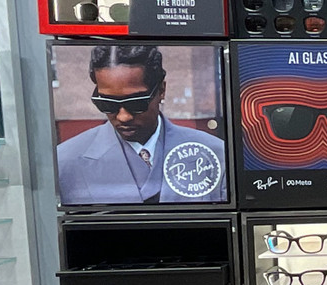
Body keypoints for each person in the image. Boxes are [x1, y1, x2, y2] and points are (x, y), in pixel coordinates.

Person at [56, 44, 227, 205]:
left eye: (136, 103)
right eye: (108, 104)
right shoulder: (64, 162)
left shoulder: (217, 154)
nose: (123, 117)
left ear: (161, 90)